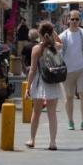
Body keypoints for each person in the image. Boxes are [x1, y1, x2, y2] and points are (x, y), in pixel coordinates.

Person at [25, 22, 63, 150]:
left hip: (40, 82)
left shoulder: (36, 49)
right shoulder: (56, 46)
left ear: (39, 34)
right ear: (51, 33)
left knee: (36, 112)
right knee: (52, 113)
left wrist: (27, 87)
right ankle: (53, 142)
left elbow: (32, 70)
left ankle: (32, 139)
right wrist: (53, 33)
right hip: (52, 82)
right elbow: (60, 41)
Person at [58, 11, 83, 131]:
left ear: (80, 21)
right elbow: (57, 51)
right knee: (69, 96)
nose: (74, 22)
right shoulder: (63, 36)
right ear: (68, 20)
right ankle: (70, 121)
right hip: (67, 70)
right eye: (72, 19)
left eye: (77, 19)